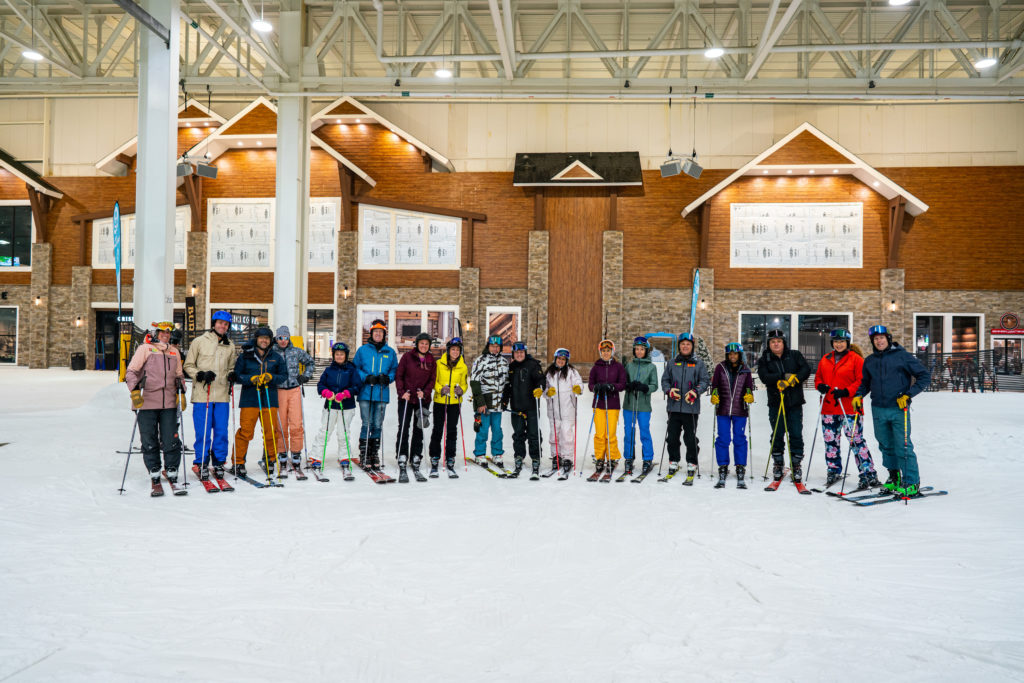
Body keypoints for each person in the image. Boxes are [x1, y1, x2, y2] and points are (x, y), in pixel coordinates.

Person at [853, 325, 931, 498]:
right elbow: (865, 383)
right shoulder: (870, 361)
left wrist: (909, 394)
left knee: (903, 446)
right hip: (878, 409)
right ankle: (894, 476)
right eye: (875, 339)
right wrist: (858, 395)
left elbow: (924, 376)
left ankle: (911, 482)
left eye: (882, 337)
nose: (879, 341)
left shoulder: (902, 356)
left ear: (888, 338)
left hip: (898, 408)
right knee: (885, 445)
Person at [814, 328, 880, 490]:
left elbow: (862, 380)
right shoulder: (825, 359)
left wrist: (846, 391)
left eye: (842, 341)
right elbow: (818, 377)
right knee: (831, 442)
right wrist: (820, 386)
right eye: (836, 342)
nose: (839, 344)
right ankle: (833, 469)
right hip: (829, 408)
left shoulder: (856, 359)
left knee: (856, 440)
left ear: (847, 343)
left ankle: (868, 473)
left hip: (850, 407)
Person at [126, 321, 187, 494]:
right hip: (147, 401)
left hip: (168, 401)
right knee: (149, 438)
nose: (166, 335)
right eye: (162, 332)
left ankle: (172, 468)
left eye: (168, 333)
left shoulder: (174, 352)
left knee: (171, 438)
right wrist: (135, 391)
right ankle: (154, 468)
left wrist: (181, 392)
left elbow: (179, 375)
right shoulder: (145, 349)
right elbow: (131, 372)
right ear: (156, 333)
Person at [182, 311, 236, 480]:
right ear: (214, 324)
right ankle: (202, 462)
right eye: (220, 323)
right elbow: (188, 365)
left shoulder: (230, 345)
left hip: (221, 395)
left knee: (221, 431)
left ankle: (219, 462)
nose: (223, 326)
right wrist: (200, 374)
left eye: (226, 324)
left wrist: (232, 374)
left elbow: (231, 367)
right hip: (202, 395)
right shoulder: (199, 342)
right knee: (203, 431)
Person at [756, 327, 811, 487]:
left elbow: (806, 369)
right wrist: (780, 377)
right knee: (777, 433)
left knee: (795, 433)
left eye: (779, 341)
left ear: (783, 342)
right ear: (769, 344)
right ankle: (778, 463)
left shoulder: (794, 354)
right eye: (773, 342)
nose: (776, 344)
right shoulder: (765, 359)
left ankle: (796, 464)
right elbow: (764, 376)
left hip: (794, 402)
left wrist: (794, 379)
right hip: (776, 402)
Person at [230, 326, 287, 479]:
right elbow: (237, 375)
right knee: (245, 432)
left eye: (267, 338)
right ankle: (238, 462)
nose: (264, 340)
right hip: (250, 399)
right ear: (256, 339)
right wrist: (251, 379)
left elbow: (283, 375)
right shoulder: (246, 356)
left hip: (269, 398)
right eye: (261, 338)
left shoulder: (276, 357)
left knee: (270, 432)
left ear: (270, 341)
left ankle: (270, 459)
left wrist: (271, 377)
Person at [662, 333, 710, 483]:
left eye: (688, 344)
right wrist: (669, 391)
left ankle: (692, 461)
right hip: (674, 407)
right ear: (679, 346)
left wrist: (695, 391)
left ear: (692, 346)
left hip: (691, 408)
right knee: (672, 438)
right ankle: (674, 460)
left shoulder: (699, 363)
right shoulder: (671, 363)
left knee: (690, 437)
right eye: (682, 344)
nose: (685, 346)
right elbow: (665, 381)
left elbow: (704, 381)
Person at [353, 319, 398, 472]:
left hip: (381, 393)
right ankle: (364, 453)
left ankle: (374, 454)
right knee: (366, 423)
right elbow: (355, 367)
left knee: (377, 424)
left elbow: (394, 370)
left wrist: (388, 378)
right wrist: (365, 377)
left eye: (381, 332)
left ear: (384, 334)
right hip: (365, 392)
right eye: (375, 332)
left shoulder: (390, 352)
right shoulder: (362, 350)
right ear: (371, 333)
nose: (378, 334)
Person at [710, 342, 755, 488]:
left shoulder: (746, 370)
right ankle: (723, 466)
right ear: (727, 355)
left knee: (739, 438)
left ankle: (740, 466)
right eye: (730, 354)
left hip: (740, 410)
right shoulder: (720, 367)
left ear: (739, 355)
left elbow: (749, 387)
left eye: (735, 354)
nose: (733, 356)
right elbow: (714, 385)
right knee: (723, 438)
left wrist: (749, 395)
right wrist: (714, 394)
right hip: (722, 409)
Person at [272, 325, 316, 473]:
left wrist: (305, 376)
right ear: (276, 338)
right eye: (280, 338)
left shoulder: (296, 351)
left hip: (294, 390)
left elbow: (310, 362)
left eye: (285, 337)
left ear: (288, 337)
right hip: (278, 391)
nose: (283, 341)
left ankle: (296, 452)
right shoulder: (272, 352)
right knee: (280, 425)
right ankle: (282, 452)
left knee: (296, 423)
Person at [313, 342, 362, 471]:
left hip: (346, 406)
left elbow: (357, 386)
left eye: (342, 354)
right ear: (333, 355)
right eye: (337, 354)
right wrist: (325, 392)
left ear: (346, 355)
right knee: (325, 431)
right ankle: (316, 456)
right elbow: (320, 384)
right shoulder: (329, 370)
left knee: (343, 432)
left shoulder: (352, 370)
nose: (339, 356)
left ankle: (344, 456)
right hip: (330, 406)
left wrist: (346, 393)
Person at [501, 341, 546, 478]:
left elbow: (541, 380)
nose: (519, 355)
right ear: (513, 354)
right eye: (516, 353)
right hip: (517, 408)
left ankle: (535, 458)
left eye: (521, 352)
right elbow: (507, 387)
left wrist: (539, 388)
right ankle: (519, 457)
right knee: (518, 434)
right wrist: (504, 401)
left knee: (533, 434)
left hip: (531, 407)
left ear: (525, 353)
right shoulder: (511, 367)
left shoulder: (533, 365)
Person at [395, 332, 436, 481]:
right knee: (404, 427)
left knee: (419, 428)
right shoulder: (407, 357)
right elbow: (399, 375)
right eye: (422, 343)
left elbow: (432, 380)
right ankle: (402, 455)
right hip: (406, 397)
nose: (424, 346)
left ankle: (416, 455)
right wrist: (401, 393)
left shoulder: (432, 360)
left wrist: (425, 393)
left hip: (422, 399)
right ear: (417, 344)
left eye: (426, 344)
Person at [430, 337, 469, 478]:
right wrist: (441, 389)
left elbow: (465, 383)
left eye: (458, 350)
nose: (455, 352)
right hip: (440, 401)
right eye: (453, 349)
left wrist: (462, 390)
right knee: (438, 429)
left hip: (454, 402)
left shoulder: (463, 366)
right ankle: (435, 456)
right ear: (448, 350)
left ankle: (450, 457)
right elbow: (433, 381)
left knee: (452, 430)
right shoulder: (439, 363)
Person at [588, 339, 628, 479]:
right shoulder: (595, 367)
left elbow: (622, 384)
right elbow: (590, 384)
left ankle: (612, 457)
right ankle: (600, 458)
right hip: (599, 404)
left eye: (608, 351)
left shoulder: (618, 367)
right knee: (600, 434)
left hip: (612, 405)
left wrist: (612, 386)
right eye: (603, 351)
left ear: (612, 352)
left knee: (610, 434)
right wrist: (596, 388)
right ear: (600, 352)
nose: (606, 353)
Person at [622, 337, 659, 480]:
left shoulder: (651, 367)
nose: (639, 351)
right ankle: (629, 458)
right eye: (637, 349)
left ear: (646, 351)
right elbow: (623, 382)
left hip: (643, 406)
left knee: (644, 431)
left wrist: (645, 387)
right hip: (629, 405)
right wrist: (628, 385)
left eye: (642, 349)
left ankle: (647, 459)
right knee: (629, 432)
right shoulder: (629, 366)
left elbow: (654, 385)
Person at [471, 335, 510, 468]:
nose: (495, 348)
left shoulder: (504, 362)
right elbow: (474, 382)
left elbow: (507, 383)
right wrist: (480, 402)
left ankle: (497, 453)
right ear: (488, 346)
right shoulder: (481, 360)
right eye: (493, 346)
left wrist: (505, 400)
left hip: (498, 404)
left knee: (497, 430)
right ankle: (480, 454)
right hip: (485, 404)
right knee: (482, 429)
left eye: (497, 346)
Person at [544, 347, 583, 477]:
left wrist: (578, 388)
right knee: (554, 435)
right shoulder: (550, 373)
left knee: (566, 435)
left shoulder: (572, 372)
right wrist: (547, 393)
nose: (561, 361)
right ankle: (556, 457)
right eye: (559, 358)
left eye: (563, 359)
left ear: (566, 360)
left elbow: (579, 384)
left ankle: (567, 458)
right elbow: (544, 389)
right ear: (555, 359)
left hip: (568, 410)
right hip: (553, 411)